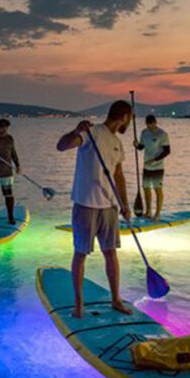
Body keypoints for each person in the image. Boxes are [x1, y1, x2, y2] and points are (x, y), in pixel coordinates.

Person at [57, 101, 134, 318]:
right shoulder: (91, 133)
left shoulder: (118, 143)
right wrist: (76, 131)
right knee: (80, 254)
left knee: (111, 253)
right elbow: (61, 146)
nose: (129, 122)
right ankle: (79, 304)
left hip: (109, 206)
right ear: (124, 116)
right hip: (86, 204)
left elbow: (118, 176)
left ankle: (116, 299)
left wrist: (125, 205)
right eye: (130, 118)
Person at [133, 115, 170, 221]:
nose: (149, 127)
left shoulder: (162, 134)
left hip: (158, 167)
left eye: (151, 125)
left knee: (157, 189)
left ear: (155, 123)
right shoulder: (144, 133)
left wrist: (155, 160)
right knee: (146, 188)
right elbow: (141, 147)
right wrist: (136, 145)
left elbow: (167, 151)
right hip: (146, 166)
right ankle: (148, 212)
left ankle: (157, 214)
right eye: (147, 125)